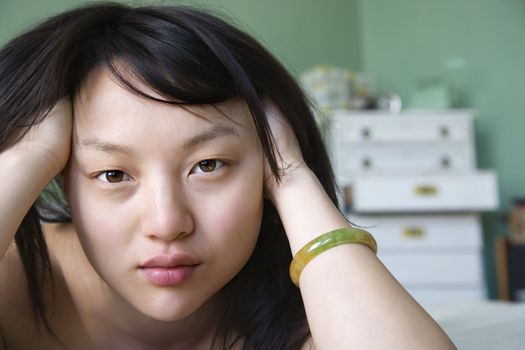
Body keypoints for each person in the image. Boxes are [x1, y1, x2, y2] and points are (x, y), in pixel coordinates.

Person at [0, 2, 456, 349]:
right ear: (60, 174)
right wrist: (25, 158)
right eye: (114, 174)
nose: (166, 223)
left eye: (208, 165)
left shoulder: (310, 310)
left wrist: (293, 177)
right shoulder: (15, 282)